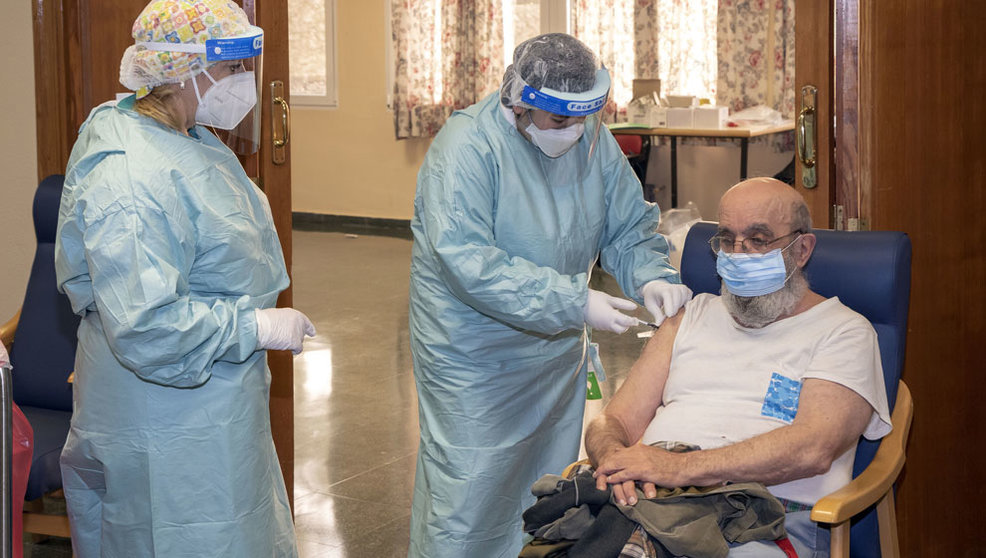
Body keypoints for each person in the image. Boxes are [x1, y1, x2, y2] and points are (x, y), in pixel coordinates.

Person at [408, 33, 692, 557]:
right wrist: (574, 301)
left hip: (555, 348)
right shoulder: (468, 147)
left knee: (547, 492)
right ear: (520, 103)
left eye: (583, 118)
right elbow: (468, 261)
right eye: (560, 119)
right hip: (475, 355)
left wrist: (652, 275)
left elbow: (627, 226)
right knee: (469, 492)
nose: (574, 132)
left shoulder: (591, 140)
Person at [54, 1, 314, 556]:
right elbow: (146, 325)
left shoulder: (183, 134)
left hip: (207, 401)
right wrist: (253, 327)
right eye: (232, 68)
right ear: (179, 71)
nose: (243, 82)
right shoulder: (130, 175)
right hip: (163, 416)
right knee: (175, 538)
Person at [585, 177, 893, 556]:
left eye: (758, 240)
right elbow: (613, 420)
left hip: (765, 518)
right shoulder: (689, 315)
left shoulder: (844, 332)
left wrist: (677, 468)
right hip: (650, 500)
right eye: (727, 240)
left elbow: (812, 449)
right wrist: (615, 461)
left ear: (802, 250)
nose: (738, 254)